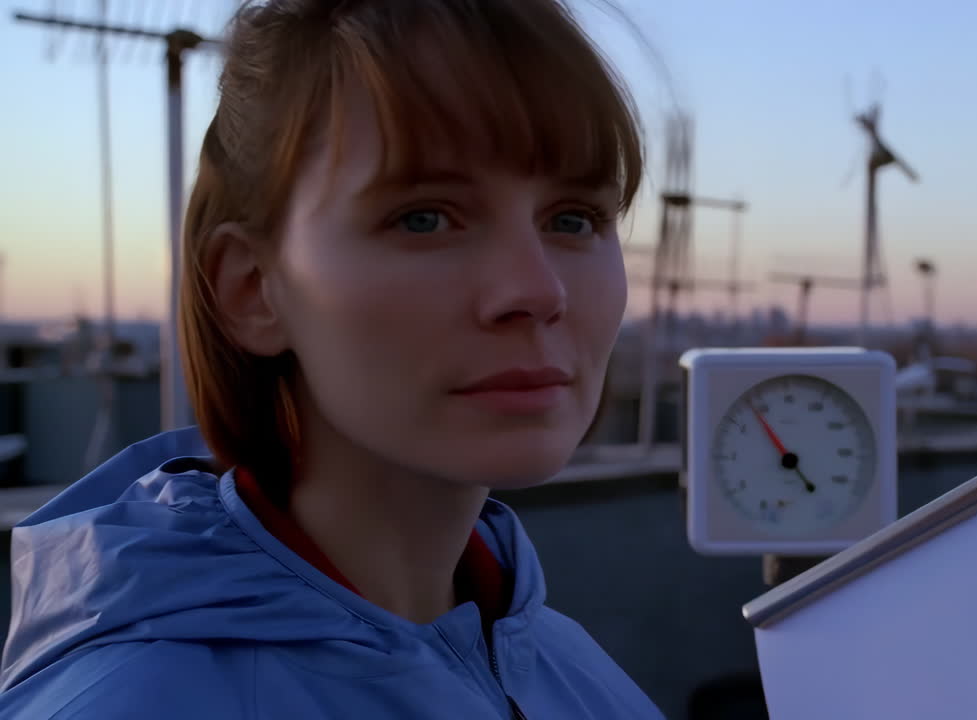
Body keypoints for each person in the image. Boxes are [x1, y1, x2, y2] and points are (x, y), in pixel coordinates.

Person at [0, 1, 663, 717]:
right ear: (254, 289)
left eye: (573, 219)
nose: (537, 291)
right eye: (425, 218)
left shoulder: (565, 666)